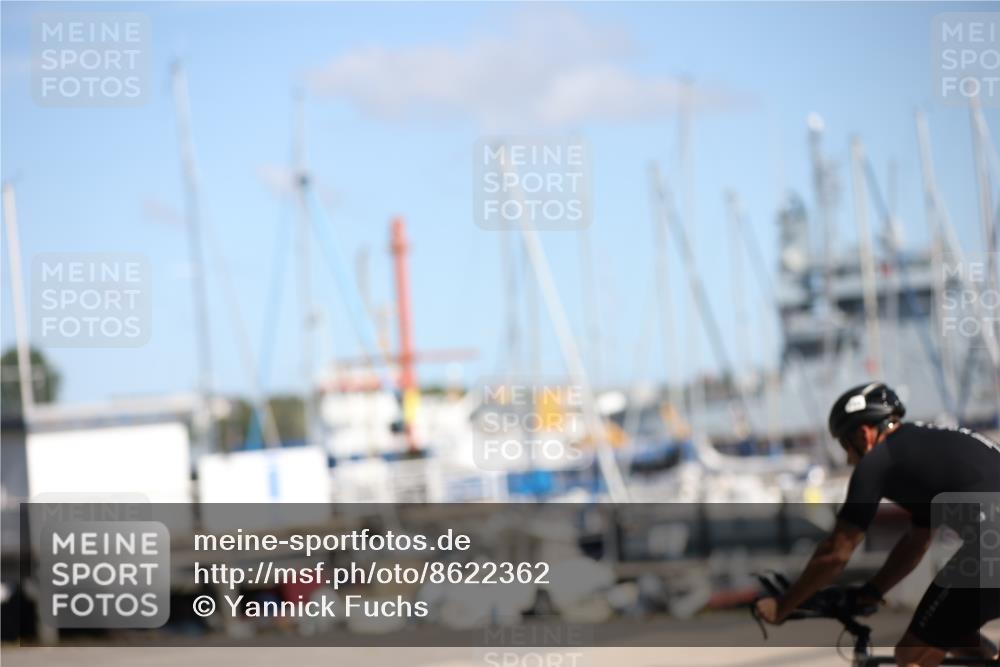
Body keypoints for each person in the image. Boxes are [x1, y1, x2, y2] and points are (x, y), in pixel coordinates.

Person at [754, 382, 1000, 667]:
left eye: (846, 445)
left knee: (912, 655)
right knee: (955, 636)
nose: (848, 458)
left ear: (864, 433)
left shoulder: (878, 462)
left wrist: (783, 606)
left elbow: (836, 552)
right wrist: (874, 591)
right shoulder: (921, 448)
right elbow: (917, 539)